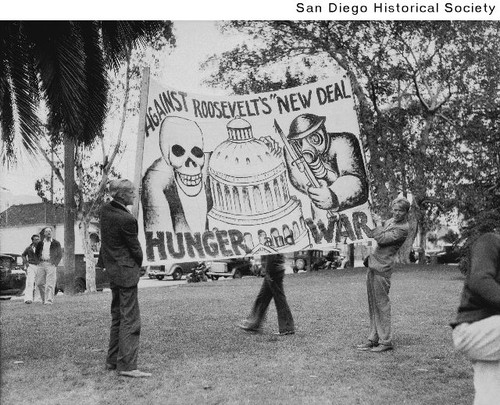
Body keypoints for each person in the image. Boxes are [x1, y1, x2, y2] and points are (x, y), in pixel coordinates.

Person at [98, 179, 151, 378]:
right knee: (131, 320)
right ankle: (128, 366)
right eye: (130, 191)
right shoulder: (127, 219)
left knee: (118, 317)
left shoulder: (105, 211)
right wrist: (139, 264)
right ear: (121, 195)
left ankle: (113, 361)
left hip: (113, 270)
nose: (134, 193)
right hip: (127, 272)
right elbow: (136, 249)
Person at [283, 113, 369, 217]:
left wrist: (334, 196)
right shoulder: (293, 151)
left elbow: (355, 181)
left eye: (313, 137)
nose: (307, 146)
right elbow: (298, 180)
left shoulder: (343, 142)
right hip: (324, 217)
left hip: (357, 212)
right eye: (300, 142)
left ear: (322, 129)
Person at [451, 230, 500, 405]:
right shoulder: (490, 241)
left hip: (493, 336)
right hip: (474, 329)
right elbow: (480, 280)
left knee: (490, 397)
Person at [357, 197, 410, 353]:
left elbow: (381, 238)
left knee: (382, 304)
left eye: (400, 210)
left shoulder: (402, 228)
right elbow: (373, 231)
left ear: (406, 212)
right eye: (394, 209)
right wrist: (368, 221)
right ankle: (373, 338)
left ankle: (386, 341)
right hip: (374, 264)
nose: (396, 213)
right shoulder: (391, 222)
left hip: (382, 268)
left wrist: (376, 223)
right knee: (373, 305)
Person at [238, 253, 295, 335]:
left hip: (274, 271)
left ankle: (287, 327)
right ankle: (253, 324)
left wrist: (270, 271)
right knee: (262, 297)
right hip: (273, 270)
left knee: (278, 299)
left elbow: (273, 256)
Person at [34, 227, 62, 305]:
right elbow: (36, 254)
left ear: (51, 233)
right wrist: (38, 262)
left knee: (50, 283)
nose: (49, 233)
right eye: (47, 231)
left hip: (51, 264)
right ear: (44, 233)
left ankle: (49, 300)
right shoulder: (40, 243)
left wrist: (55, 264)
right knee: (39, 283)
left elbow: (60, 255)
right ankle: (44, 299)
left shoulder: (56, 243)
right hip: (41, 264)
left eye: (50, 231)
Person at [21, 234, 40, 304]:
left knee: (39, 283)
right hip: (31, 266)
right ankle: (28, 299)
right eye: (36, 239)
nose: (37, 241)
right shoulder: (29, 248)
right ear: (32, 240)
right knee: (30, 282)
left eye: (38, 239)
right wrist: (26, 262)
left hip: (39, 266)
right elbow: (23, 255)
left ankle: (38, 298)